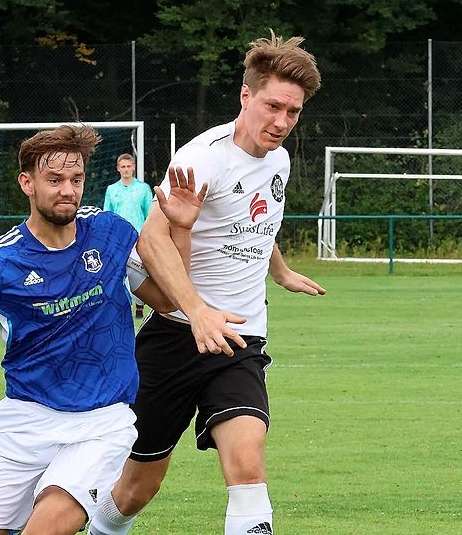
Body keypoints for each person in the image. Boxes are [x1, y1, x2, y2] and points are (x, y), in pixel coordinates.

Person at [0, 125, 233, 535]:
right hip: (23, 419)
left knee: (46, 527)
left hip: (104, 420)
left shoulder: (111, 233)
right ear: (27, 183)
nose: (68, 190)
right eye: (55, 180)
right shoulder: (1, 263)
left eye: (76, 179)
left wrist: (182, 230)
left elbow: (168, 299)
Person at [87, 32, 325, 535]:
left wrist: (278, 271)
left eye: (294, 112)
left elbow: (258, 222)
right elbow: (152, 244)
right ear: (246, 96)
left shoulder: (277, 161)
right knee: (135, 490)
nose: (282, 122)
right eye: (273, 106)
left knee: (247, 463)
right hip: (175, 336)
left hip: (239, 338)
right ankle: (101, 526)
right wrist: (196, 309)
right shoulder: (200, 158)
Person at [104, 153, 154, 318]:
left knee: (140, 269)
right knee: (118, 270)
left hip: (138, 237)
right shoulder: (112, 190)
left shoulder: (143, 188)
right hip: (118, 239)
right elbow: (107, 214)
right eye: (123, 167)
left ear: (133, 167)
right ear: (118, 169)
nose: (126, 170)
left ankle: (140, 303)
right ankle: (122, 303)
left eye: (128, 166)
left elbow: (149, 214)